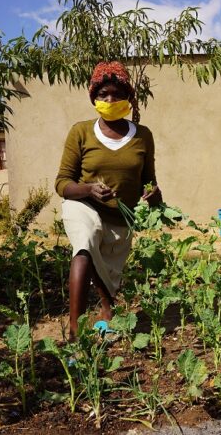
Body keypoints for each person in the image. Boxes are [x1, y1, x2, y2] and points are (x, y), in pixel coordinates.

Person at [55, 61, 160, 341]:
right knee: (85, 245)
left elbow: (149, 181)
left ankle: (107, 310)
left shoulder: (143, 136)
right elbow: (62, 183)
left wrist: (153, 194)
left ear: (128, 98)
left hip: (120, 218)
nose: (109, 100)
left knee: (109, 279)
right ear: (94, 98)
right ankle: (75, 336)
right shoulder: (81, 132)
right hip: (84, 206)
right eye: (103, 95)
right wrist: (88, 190)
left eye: (116, 94)